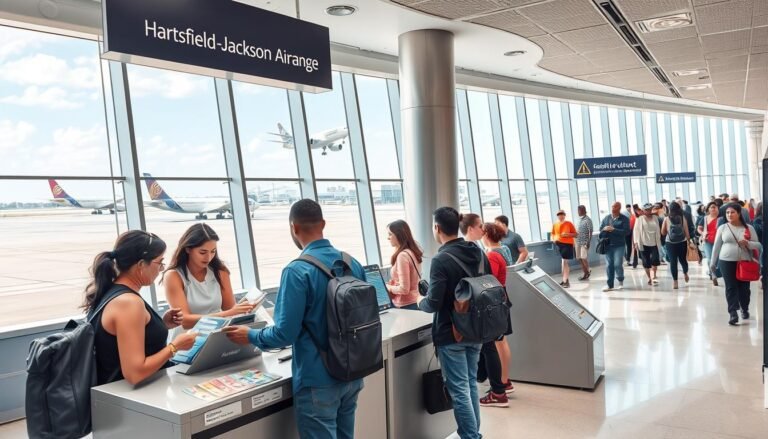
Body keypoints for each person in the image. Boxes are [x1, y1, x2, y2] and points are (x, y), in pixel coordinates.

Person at [224, 199, 367, 438]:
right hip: (353, 373)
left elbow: (284, 333)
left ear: (293, 227)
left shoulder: (297, 271)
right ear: (323, 224)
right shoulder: (353, 263)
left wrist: (250, 335)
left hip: (317, 379)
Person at [85, 230, 197, 385]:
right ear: (140, 265)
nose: (162, 269)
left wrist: (160, 325)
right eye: (159, 262)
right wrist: (175, 346)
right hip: (130, 399)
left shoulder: (112, 292)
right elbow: (135, 373)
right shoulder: (129, 303)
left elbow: (117, 343)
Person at [416, 207, 487, 438]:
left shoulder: (441, 259)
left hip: (451, 332)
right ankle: (474, 434)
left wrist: (420, 301)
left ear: (437, 228)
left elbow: (434, 303)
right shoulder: (477, 251)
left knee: (459, 390)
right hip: (476, 328)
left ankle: (470, 436)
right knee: (469, 384)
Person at [164, 224, 253, 337]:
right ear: (187, 249)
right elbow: (184, 321)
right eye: (202, 252)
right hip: (186, 340)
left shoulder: (221, 272)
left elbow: (231, 310)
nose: (208, 257)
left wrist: (243, 308)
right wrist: (228, 313)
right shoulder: (173, 276)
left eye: (213, 251)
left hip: (215, 337)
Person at [460, 212, 508, 408]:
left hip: (482, 307)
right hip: (490, 304)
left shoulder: (483, 253)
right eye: (479, 225)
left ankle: (498, 389)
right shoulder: (480, 252)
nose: (482, 229)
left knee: (490, 347)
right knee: (491, 346)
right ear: (470, 228)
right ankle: (499, 385)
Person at [710, 203, 762, 326]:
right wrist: (712, 264)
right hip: (726, 261)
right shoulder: (723, 228)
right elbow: (716, 247)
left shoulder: (749, 228)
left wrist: (748, 244)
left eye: (732, 212)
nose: (729, 215)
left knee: (744, 288)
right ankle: (733, 313)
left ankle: (744, 307)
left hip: (744, 262)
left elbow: (759, 245)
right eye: (727, 212)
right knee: (730, 287)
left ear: (739, 213)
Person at [480, 223, 515, 400]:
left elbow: (488, 280)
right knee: (502, 341)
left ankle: (502, 381)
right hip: (502, 298)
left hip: (495, 301)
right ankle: (505, 380)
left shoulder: (492, 255)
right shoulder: (503, 251)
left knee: (498, 343)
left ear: (486, 235)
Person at [384, 220, 423, 310]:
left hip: (406, 305)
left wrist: (388, 287)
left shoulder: (402, 256)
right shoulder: (412, 252)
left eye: (390, 234)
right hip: (415, 301)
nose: (388, 238)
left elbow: (404, 289)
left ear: (399, 235)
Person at [599, 202, 628, 292]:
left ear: (619, 208)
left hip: (619, 245)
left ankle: (620, 281)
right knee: (609, 265)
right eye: (612, 206)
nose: (612, 208)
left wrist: (614, 230)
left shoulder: (624, 219)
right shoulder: (606, 218)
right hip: (608, 245)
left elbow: (626, 232)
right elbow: (600, 229)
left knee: (617, 264)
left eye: (615, 206)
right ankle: (610, 285)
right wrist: (604, 229)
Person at [661, 202, 691, 289]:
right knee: (683, 260)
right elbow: (687, 232)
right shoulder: (682, 218)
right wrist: (689, 241)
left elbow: (663, 232)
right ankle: (685, 273)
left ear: (669, 209)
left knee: (673, 262)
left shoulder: (666, 219)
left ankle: (675, 282)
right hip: (682, 242)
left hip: (670, 243)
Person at [634, 203, 662, 286]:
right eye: (647, 209)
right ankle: (649, 277)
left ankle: (654, 276)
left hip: (654, 243)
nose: (649, 211)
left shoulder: (655, 218)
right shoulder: (639, 219)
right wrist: (636, 242)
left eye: (650, 209)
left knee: (654, 261)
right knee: (646, 262)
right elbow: (636, 231)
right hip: (643, 243)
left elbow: (659, 229)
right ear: (643, 210)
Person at [551, 210, 578, 288]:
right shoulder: (555, 224)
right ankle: (565, 280)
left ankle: (565, 281)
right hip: (559, 244)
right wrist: (553, 239)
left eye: (562, 214)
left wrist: (568, 234)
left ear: (564, 215)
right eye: (559, 215)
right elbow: (552, 234)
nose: (560, 216)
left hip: (567, 244)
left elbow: (576, 234)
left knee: (564, 262)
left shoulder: (569, 223)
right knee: (563, 262)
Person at [699, 202, 722, 286]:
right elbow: (699, 228)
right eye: (711, 207)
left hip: (719, 241)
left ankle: (715, 273)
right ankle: (713, 275)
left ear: (718, 209)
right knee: (709, 258)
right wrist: (702, 233)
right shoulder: (705, 218)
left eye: (715, 207)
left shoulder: (721, 218)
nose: (713, 209)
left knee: (718, 259)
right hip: (708, 240)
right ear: (708, 209)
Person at [575, 205, 594, 281]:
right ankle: (585, 272)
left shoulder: (588, 219)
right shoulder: (579, 220)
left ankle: (587, 272)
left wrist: (588, 241)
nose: (578, 212)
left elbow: (591, 231)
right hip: (577, 242)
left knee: (583, 257)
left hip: (584, 242)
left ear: (583, 210)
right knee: (579, 258)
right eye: (578, 210)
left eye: (579, 210)